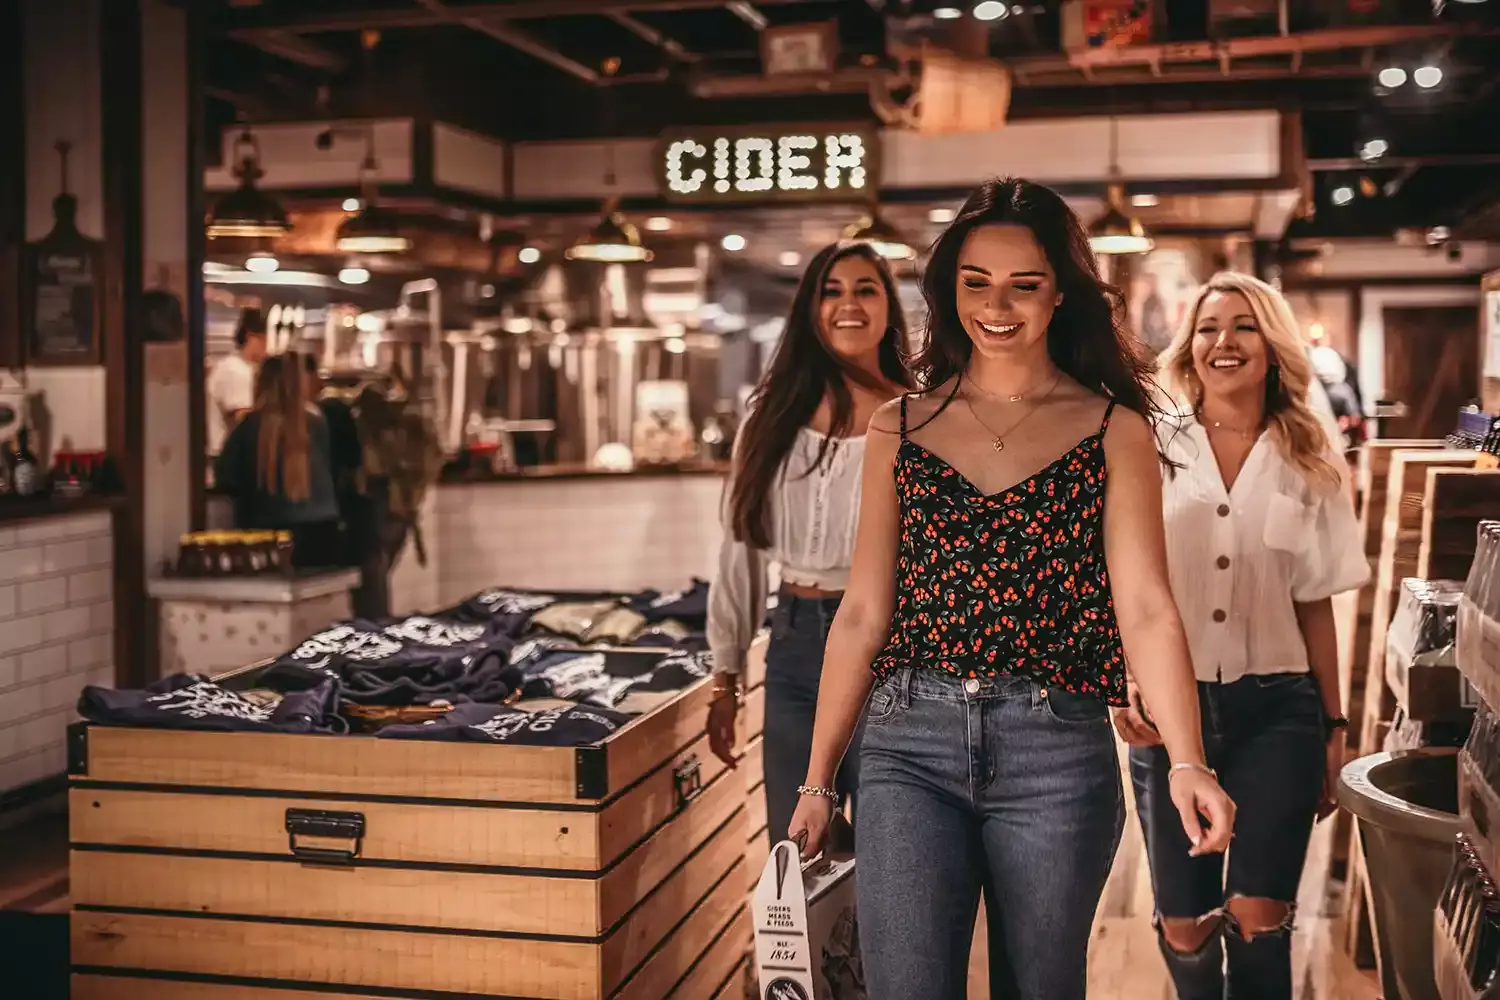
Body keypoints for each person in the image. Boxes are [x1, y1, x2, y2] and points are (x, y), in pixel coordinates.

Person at [787, 177, 1235, 1000]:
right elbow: (861, 613)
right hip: (905, 746)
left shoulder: (1113, 428)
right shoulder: (901, 425)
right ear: (949, 288)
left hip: (1056, 749)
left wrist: (1186, 762)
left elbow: (1146, 607)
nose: (998, 306)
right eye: (976, 282)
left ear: (1059, 293)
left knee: (1042, 988)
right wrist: (819, 781)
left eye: (1024, 284)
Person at [1115, 272, 1369, 999]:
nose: (1223, 342)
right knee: (1184, 923)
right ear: (1189, 347)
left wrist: (1334, 722)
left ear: (1272, 344)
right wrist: (1120, 681)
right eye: (1208, 328)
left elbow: (1315, 601)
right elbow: (1119, 583)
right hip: (1171, 714)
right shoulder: (1152, 444)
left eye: (1243, 327)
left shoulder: (1308, 453)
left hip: (1278, 710)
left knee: (1262, 918)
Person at [705, 241, 915, 846]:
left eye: (865, 290)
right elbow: (739, 548)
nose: (848, 305)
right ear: (810, 309)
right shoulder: (771, 415)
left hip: (889, 649)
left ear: (887, 309)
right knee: (792, 853)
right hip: (794, 648)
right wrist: (727, 676)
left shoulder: (916, 417)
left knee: (887, 850)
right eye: (832, 290)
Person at [215, 353, 342, 569]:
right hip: (324, 531)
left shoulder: (250, 427)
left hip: (270, 536)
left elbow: (225, 478)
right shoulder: (317, 422)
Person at [207, 308, 267, 455]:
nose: (267, 347)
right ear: (251, 337)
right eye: (264, 340)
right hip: (226, 458)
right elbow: (243, 421)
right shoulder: (235, 370)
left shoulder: (238, 366)